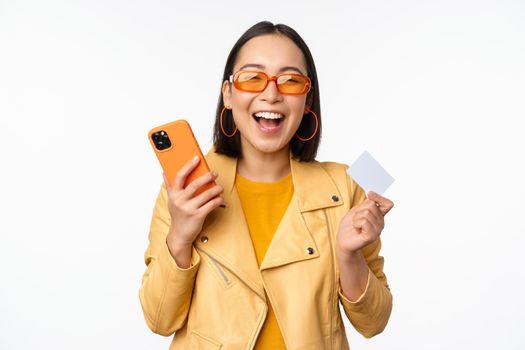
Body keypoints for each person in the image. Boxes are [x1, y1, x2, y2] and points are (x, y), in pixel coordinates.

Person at [139, 21, 394, 350]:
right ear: (228, 94)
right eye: (253, 78)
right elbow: (158, 320)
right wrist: (180, 236)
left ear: (307, 99)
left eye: (290, 81)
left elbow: (375, 323)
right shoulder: (186, 188)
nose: (271, 94)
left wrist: (348, 255)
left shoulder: (348, 185)